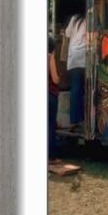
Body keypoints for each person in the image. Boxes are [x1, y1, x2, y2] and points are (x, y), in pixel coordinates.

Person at [65, 11, 86, 131]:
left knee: (75, 89)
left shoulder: (74, 17)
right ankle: (80, 120)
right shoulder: (89, 19)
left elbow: (67, 34)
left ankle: (74, 120)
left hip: (73, 57)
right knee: (82, 89)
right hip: (83, 57)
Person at [48, 35, 60, 164]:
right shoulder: (50, 57)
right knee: (50, 125)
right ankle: (51, 157)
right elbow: (55, 79)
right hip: (50, 95)